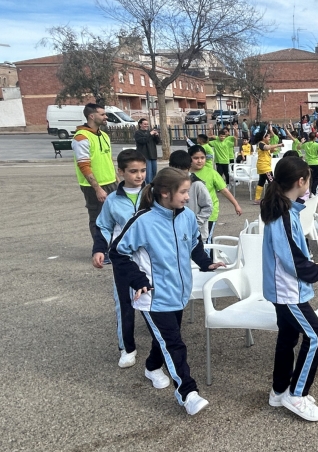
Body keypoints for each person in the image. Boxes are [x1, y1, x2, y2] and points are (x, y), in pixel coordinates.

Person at [110, 168, 225, 416]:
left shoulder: (187, 217)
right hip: (153, 297)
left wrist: (206, 263)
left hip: (178, 293)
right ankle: (187, 393)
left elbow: (194, 244)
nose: (187, 197)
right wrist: (138, 279)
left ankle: (152, 367)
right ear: (164, 192)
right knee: (174, 343)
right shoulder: (143, 221)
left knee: (164, 338)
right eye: (183, 192)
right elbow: (117, 253)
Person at [261, 156, 318, 422]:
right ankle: (296, 395)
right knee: (315, 335)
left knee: (288, 338)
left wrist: (313, 264)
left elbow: (291, 253)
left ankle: (279, 390)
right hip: (288, 292)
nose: (310, 185)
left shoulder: (285, 210)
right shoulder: (283, 215)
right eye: (309, 180)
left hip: (285, 289)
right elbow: (292, 261)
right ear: (300, 181)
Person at [92, 149, 147, 368]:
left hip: (150, 258)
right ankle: (127, 348)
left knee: (156, 299)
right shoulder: (112, 200)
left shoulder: (154, 195)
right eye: (133, 171)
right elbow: (103, 226)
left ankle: (162, 342)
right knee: (124, 303)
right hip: (123, 259)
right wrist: (99, 249)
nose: (139, 175)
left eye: (143, 170)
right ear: (121, 172)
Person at [72, 103, 118, 245]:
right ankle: (100, 249)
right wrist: (97, 189)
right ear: (92, 116)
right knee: (98, 219)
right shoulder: (81, 137)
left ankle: (112, 246)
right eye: (102, 114)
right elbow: (84, 165)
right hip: (95, 186)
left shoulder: (104, 135)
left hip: (111, 183)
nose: (106, 117)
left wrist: (116, 179)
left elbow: (108, 159)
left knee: (114, 217)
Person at [188, 145, 242, 244]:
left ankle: (210, 254)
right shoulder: (185, 173)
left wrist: (236, 204)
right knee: (194, 239)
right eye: (196, 158)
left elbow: (224, 190)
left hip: (209, 213)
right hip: (192, 212)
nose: (199, 161)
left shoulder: (211, 173)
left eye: (202, 158)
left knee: (206, 240)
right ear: (189, 158)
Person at [169, 150, 213, 243]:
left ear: (189, 167)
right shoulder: (167, 184)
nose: (180, 175)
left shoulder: (197, 184)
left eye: (183, 171)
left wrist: (195, 224)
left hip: (196, 236)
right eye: (177, 171)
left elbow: (208, 207)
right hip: (174, 235)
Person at [253, 128, 283, 205]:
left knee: (261, 182)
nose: (269, 138)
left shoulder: (263, 144)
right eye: (268, 137)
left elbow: (268, 150)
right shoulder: (261, 144)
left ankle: (257, 199)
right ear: (264, 137)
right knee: (272, 183)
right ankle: (273, 198)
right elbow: (266, 148)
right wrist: (278, 145)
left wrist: (273, 150)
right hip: (265, 167)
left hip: (263, 166)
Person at [134, 118, 161, 184]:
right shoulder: (138, 133)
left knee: (154, 173)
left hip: (153, 155)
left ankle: (153, 186)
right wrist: (150, 134)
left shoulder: (150, 132)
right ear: (140, 124)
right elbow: (143, 141)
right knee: (148, 174)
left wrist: (156, 136)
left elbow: (157, 142)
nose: (146, 125)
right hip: (145, 155)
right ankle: (148, 187)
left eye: (147, 124)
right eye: (145, 124)